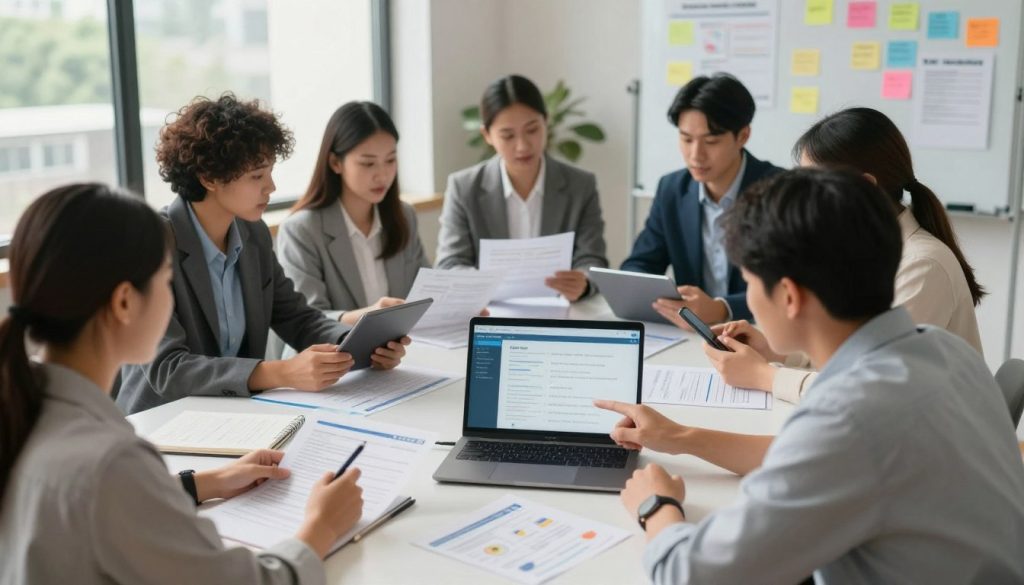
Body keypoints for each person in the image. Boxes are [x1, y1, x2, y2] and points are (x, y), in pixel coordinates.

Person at [595, 169, 1024, 583]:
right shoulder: (943, 349)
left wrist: (655, 506)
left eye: (749, 283)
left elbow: (694, 575)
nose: (750, 304)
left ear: (788, 295)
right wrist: (680, 437)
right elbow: (814, 458)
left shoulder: (849, 419)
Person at [0, 183, 364, 584]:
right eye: (166, 278)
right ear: (124, 303)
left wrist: (203, 484)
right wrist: (321, 528)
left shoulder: (26, 410)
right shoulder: (111, 462)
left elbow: (103, 507)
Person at [117, 94, 408, 415]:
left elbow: (297, 318)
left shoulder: (252, 234)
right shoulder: (154, 242)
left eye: (269, 171)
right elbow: (168, 369)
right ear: (209, 178)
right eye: (257, 175)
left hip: (238, 415)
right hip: (163, 421)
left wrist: (364, 345)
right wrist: (280, 372)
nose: (271, 186)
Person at [705, 107, 985, 403]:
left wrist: (765, 375)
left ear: (863, 188)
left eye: (814, 187)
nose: (804, 202)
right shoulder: (855, 249)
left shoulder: (923, 266)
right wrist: (776, 351)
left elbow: (865, 388)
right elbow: (851, 351)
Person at [621, 73, 782, 324]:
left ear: (743, 136)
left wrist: (722, 308)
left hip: (762, 332)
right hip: (690, 336)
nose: (696, 155)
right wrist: (666, 300)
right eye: (686, 139)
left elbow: (786, 283)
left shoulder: (779, 190)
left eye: (711, 141)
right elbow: (639, 265)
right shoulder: (672, 189)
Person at [435, 74, 608, 301]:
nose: (523, 146)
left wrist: (583, 283)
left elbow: (593, 260)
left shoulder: (580, 185)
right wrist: (483, 284)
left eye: (532, 130)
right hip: (491, 315)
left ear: (546, 122)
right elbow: (449, 264)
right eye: (507, 135)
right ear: (487, 135)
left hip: (560, 312)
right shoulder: (464, 187)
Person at [277, 101, 430, 328]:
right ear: (335, 163)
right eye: (368, 164)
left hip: (396, 354)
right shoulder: (301, 229)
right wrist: (368, 316)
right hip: (332, 357)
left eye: (390, 160)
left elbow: (426, 293)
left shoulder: (404, 216)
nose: (382, 175)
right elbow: (306, 320)